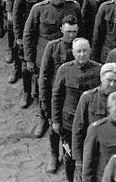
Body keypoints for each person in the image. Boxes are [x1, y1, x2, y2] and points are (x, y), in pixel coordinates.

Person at [51, 37, 101, 181]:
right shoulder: (65, 69)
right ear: (73, 53)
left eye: (85, 51)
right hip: (69, 122)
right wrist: (56, 121)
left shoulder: (99, 69)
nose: (82, 54)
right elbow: (56, 96)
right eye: (78, 51)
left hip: (91, 121)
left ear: (90, 51)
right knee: (70, 155)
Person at [36, 15, 78, 171]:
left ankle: (66, 155)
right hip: (55, 96)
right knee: (54, 128)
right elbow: (43, 75)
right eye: (68, 32)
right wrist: (43, 101)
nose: (71, 35)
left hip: (71, 98)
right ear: (61, 30)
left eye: (74, 31)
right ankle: (54, 155)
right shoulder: (52, 47)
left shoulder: (81, 47)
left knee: (68, 132)